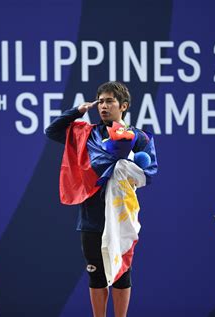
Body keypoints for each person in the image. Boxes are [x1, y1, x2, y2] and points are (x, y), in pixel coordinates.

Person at [46, 82, 157, 317]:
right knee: (95, 274)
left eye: (109, 101)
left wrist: (125, 166)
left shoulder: (138, 138)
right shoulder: (85, 134)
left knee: (121, 273)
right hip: (91, 216)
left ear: (123, 106)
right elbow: (52, 131)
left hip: (121, 215)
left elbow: (150, 172)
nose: (103, 106)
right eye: (101, 101)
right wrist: (77, 111)